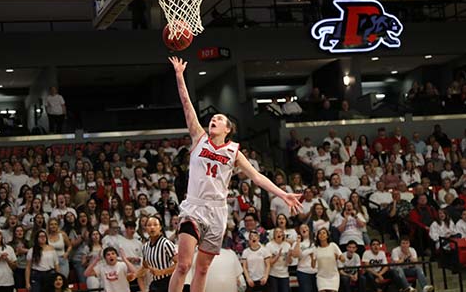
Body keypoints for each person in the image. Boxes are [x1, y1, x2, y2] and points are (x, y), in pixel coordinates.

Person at [166, 57, 302, 292]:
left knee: (202, 269)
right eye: (213, 118)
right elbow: (187, 104)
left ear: (228, 129)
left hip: (218, 211)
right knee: (183, 264)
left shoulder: (233, 151)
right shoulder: (199, 137)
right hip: (195, 207)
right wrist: (179, 76)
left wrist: (283, 194)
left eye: (220, 119)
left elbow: (257, 177)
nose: (214, 120)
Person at [139, 216, 177, 292]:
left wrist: (162, 272)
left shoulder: (166, 243)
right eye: (149, 225)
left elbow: (179, 264)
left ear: (160, 227)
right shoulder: (145, 247)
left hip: (169, 281)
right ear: (146, 228)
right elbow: (145, 267)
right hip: (155, 283)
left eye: (155, 225)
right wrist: (135, 275)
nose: (152, 227)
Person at [311, 228, 345, 292]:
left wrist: (339, 257)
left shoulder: (333, 245)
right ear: (317, 236)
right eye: (320, 233)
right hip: (321, 276)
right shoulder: (315, 249)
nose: (322, 235)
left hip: (333, 276)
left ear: (327, 236)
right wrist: (312, 258)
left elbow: (343, 260)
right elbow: (313, 266)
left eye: (324, 233)